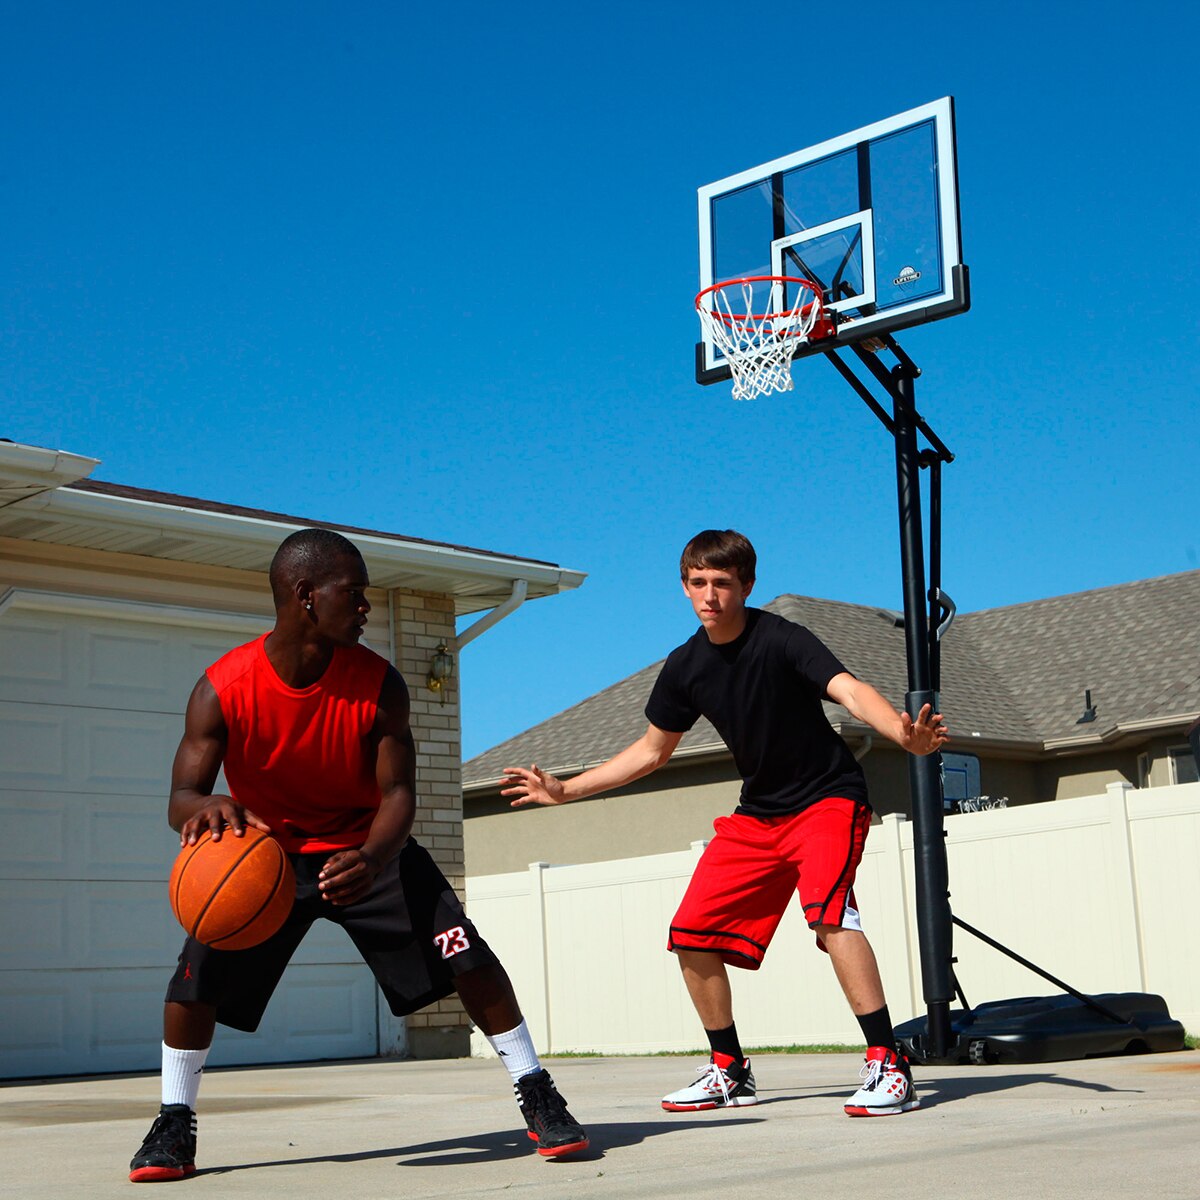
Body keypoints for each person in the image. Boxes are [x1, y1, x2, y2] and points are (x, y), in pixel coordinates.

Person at [129, 528, 587, 1183]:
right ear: (305, 595)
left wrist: (373, 858)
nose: (366, 605)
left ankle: (537, 1090)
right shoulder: (223, 687)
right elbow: (181, 796)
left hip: (367, 849)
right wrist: (204, 810)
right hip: (265, 860)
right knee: (191, 979)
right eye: (355, 592)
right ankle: (174, 1123)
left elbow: (400, 793)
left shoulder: (380, 685)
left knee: (468, 954)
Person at [502, 529, 948, 1118]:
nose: (708, 595)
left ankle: (889, 1063)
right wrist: (566, 791)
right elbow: (650, 751)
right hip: (759, 816)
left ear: (745, 587)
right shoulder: (686, 666)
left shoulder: (783, 638)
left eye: (721, 583)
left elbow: (850, 691)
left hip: (827, 801)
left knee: (831, 915)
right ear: (684, 586)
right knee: (690, 933)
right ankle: (729, 1070)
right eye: (697, 583)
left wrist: (900, 733)